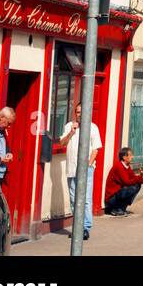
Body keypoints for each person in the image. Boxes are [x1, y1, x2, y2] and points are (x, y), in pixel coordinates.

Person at [60, 102, 102, 241]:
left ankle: (85, 228)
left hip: (86, 169)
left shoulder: (93, 127)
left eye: (82, 112)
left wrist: (88, 165)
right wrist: (71, 132)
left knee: (86, 199)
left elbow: (96, 149)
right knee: (73, 199)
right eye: (77, 112)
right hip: (71, 168)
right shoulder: (69, 126)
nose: (79, 115)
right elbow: (62, 143)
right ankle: (77, 227)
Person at [104, 146, 143, 216]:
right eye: (130, 155)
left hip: (118, 193)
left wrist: (141, 178)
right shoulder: (119, 166)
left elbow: (132, 177)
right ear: (124, 157)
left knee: (137, 186)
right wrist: (139, 179)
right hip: (111, 198)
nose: (132, 157)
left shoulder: (127, 166)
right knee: (131, 188)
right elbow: (126, 182)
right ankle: (114, 208)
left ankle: (122, 208)